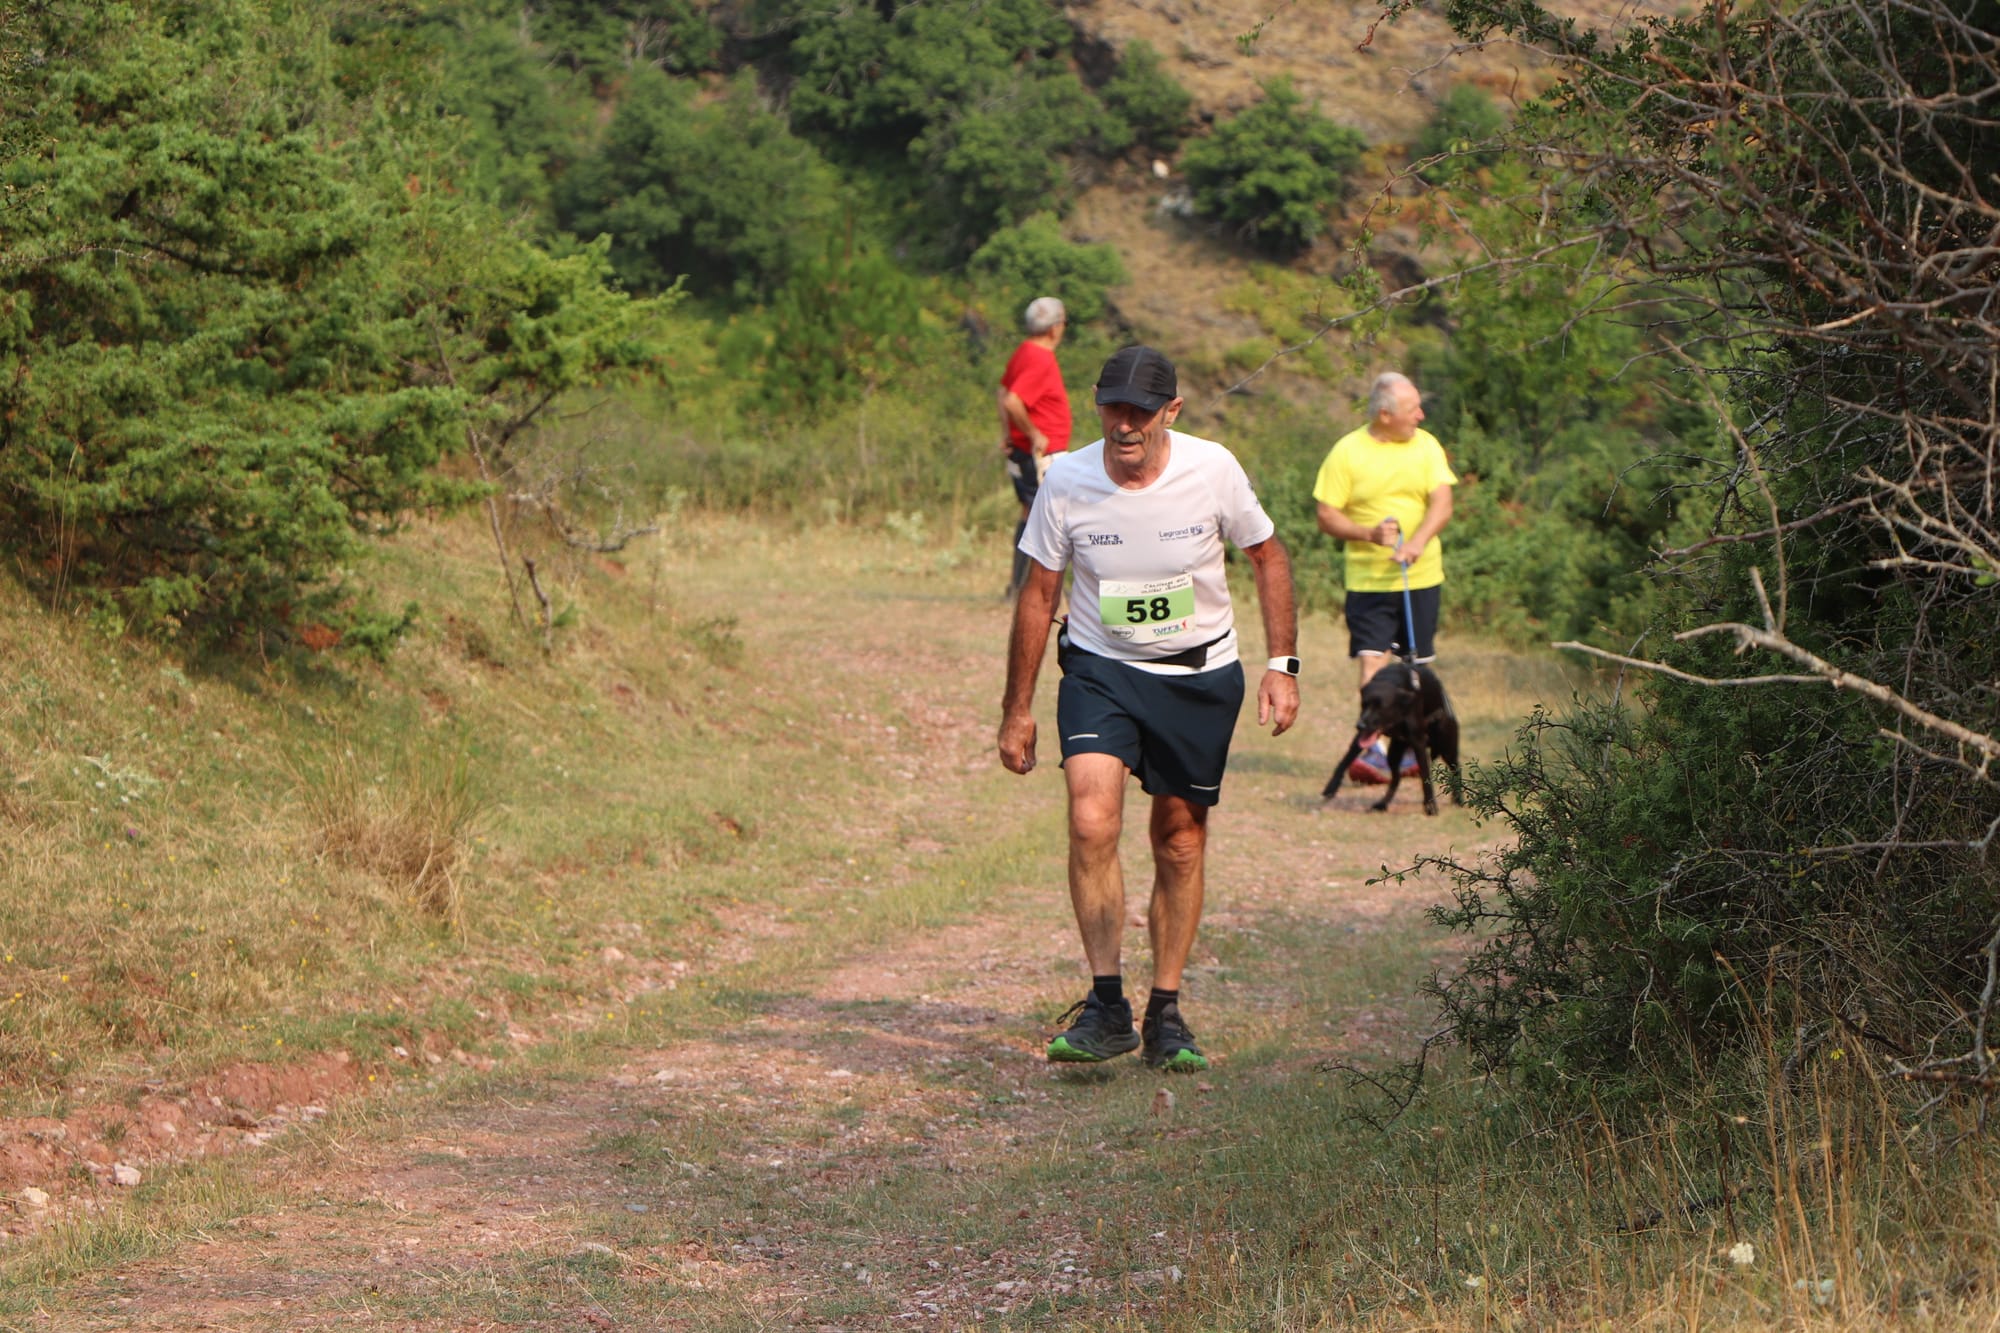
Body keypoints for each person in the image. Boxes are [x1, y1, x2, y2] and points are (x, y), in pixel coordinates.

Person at [998, 345, 1300, 1072]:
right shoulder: (1066, 478)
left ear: (1172, 411)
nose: (1124, 423)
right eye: (1113, 407)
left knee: (1180, 839)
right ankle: (1106, 1004)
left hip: (1198, 675)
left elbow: (1269, 557)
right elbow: (1040, 591)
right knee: (1090, 816)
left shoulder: (1213, 469)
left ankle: (1166, 1009)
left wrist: (1281, 665)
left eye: (1140, 410)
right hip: (1101, 669)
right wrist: (1017, 708)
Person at [1311, 371, 1457, 783]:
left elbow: (1442, 504)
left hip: (1421, 577)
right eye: (1413, 410)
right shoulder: (1348, 452)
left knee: (1415, 666)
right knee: (1372, 660)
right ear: (1386, 414)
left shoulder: (1426, 446)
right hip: (1369, 581)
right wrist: (1368, 534)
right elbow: (1326, 515)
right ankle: (1371, 749)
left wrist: (1418, 542)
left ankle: (1409, 748)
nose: (1421, 415)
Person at [997, 296, 1072, 597]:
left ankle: (1018, 586)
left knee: (1031, 512)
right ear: (1055, 328)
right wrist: (1033, 433)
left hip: (1025, 451)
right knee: (1055, 517)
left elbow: (1002, 390)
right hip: (1042, 454)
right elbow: (1012, 399)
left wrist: (1008, 433)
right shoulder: (1040, 358)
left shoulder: (1024, 352)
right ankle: (1040, 589)